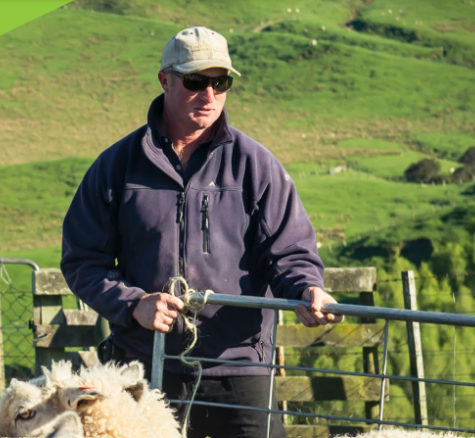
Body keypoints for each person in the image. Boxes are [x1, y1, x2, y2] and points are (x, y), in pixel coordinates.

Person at [61, 26, 344, 438]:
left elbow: (291, 252)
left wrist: (308, 288)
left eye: (220, 83)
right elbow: (82, 260)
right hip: (145, 368)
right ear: (165, 80)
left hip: (241, 369)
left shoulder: (256, 166)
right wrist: (133, 305)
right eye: (195, 81)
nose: (209, 95)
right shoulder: (116, 167)